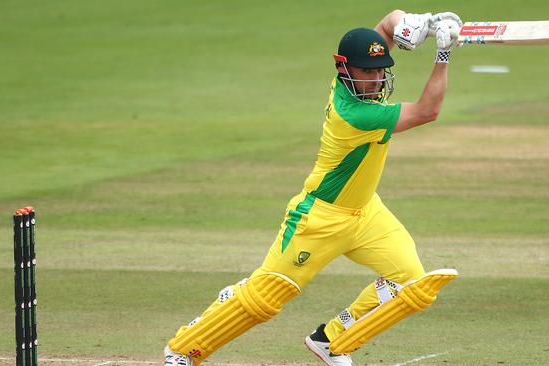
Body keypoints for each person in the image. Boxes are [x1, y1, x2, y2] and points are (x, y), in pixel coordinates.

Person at [164, 9, 462, 366]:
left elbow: (385, 23)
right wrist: (442, 55)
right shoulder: (356, 114)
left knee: (414, 286)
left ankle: (332, 340)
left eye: (381, 70)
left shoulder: (360, 85)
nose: (376, 78)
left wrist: (417, 23)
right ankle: (184, 349)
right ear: (343, 69)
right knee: (266, 299)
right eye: (367, 72)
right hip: (319, 218)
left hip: (366, 213)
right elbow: (428, 110)